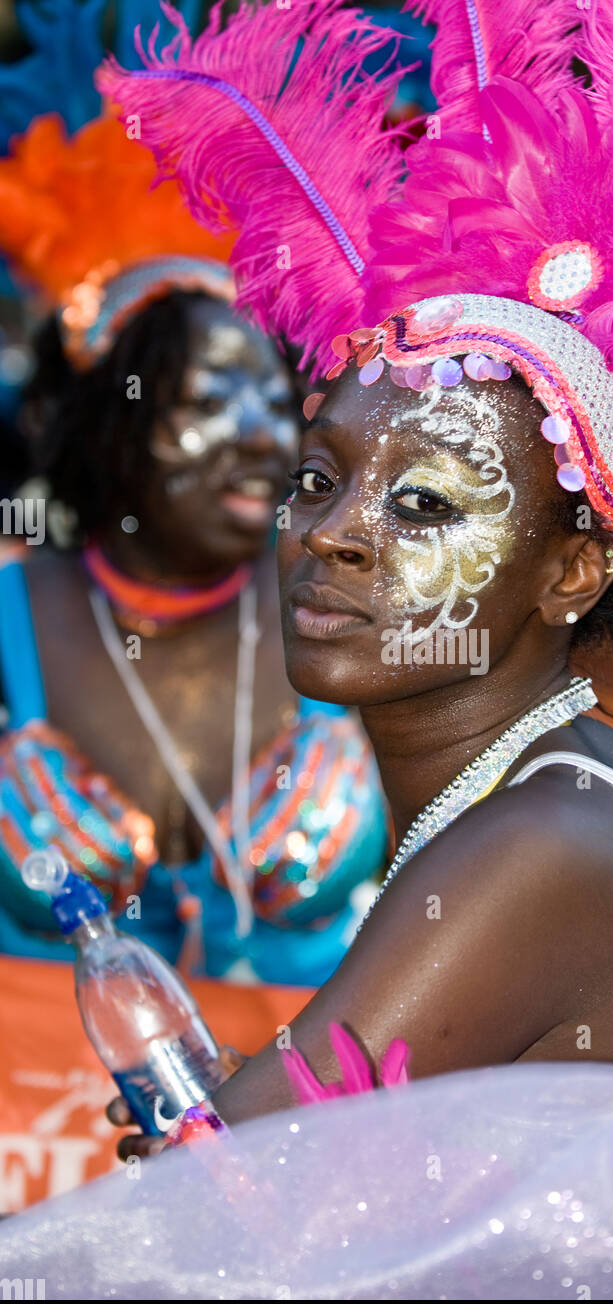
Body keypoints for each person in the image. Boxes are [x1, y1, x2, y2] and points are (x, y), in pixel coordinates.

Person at [59, 0, 613, 1223]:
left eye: (428, 502)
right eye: (321, 478)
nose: (331, 529)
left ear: (573, 572)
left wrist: (203, 1149)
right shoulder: (541, 782)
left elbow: (205, 1221)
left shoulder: (542, 844)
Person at [0, 111, 387, 985]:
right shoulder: (11, 613)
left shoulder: (356, 605)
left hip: (314, 1114)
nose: (265, 438)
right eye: (211, 399)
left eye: (277, 399)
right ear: (106, 424)